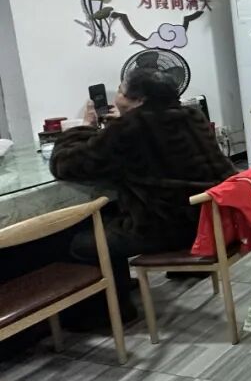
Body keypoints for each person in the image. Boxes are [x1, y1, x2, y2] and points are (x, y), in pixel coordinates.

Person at [50, 68, 236, 321]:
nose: (117, 98)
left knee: (79, 242)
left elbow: (66, 165)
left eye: (121, 92)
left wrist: (82, 128)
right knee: (111, 218)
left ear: (139, 100)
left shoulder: (130, 128)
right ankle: (125, 285)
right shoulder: (192, 115)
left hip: (170, 227)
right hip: (211, 219)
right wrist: (119, 124)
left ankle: (109, 313)